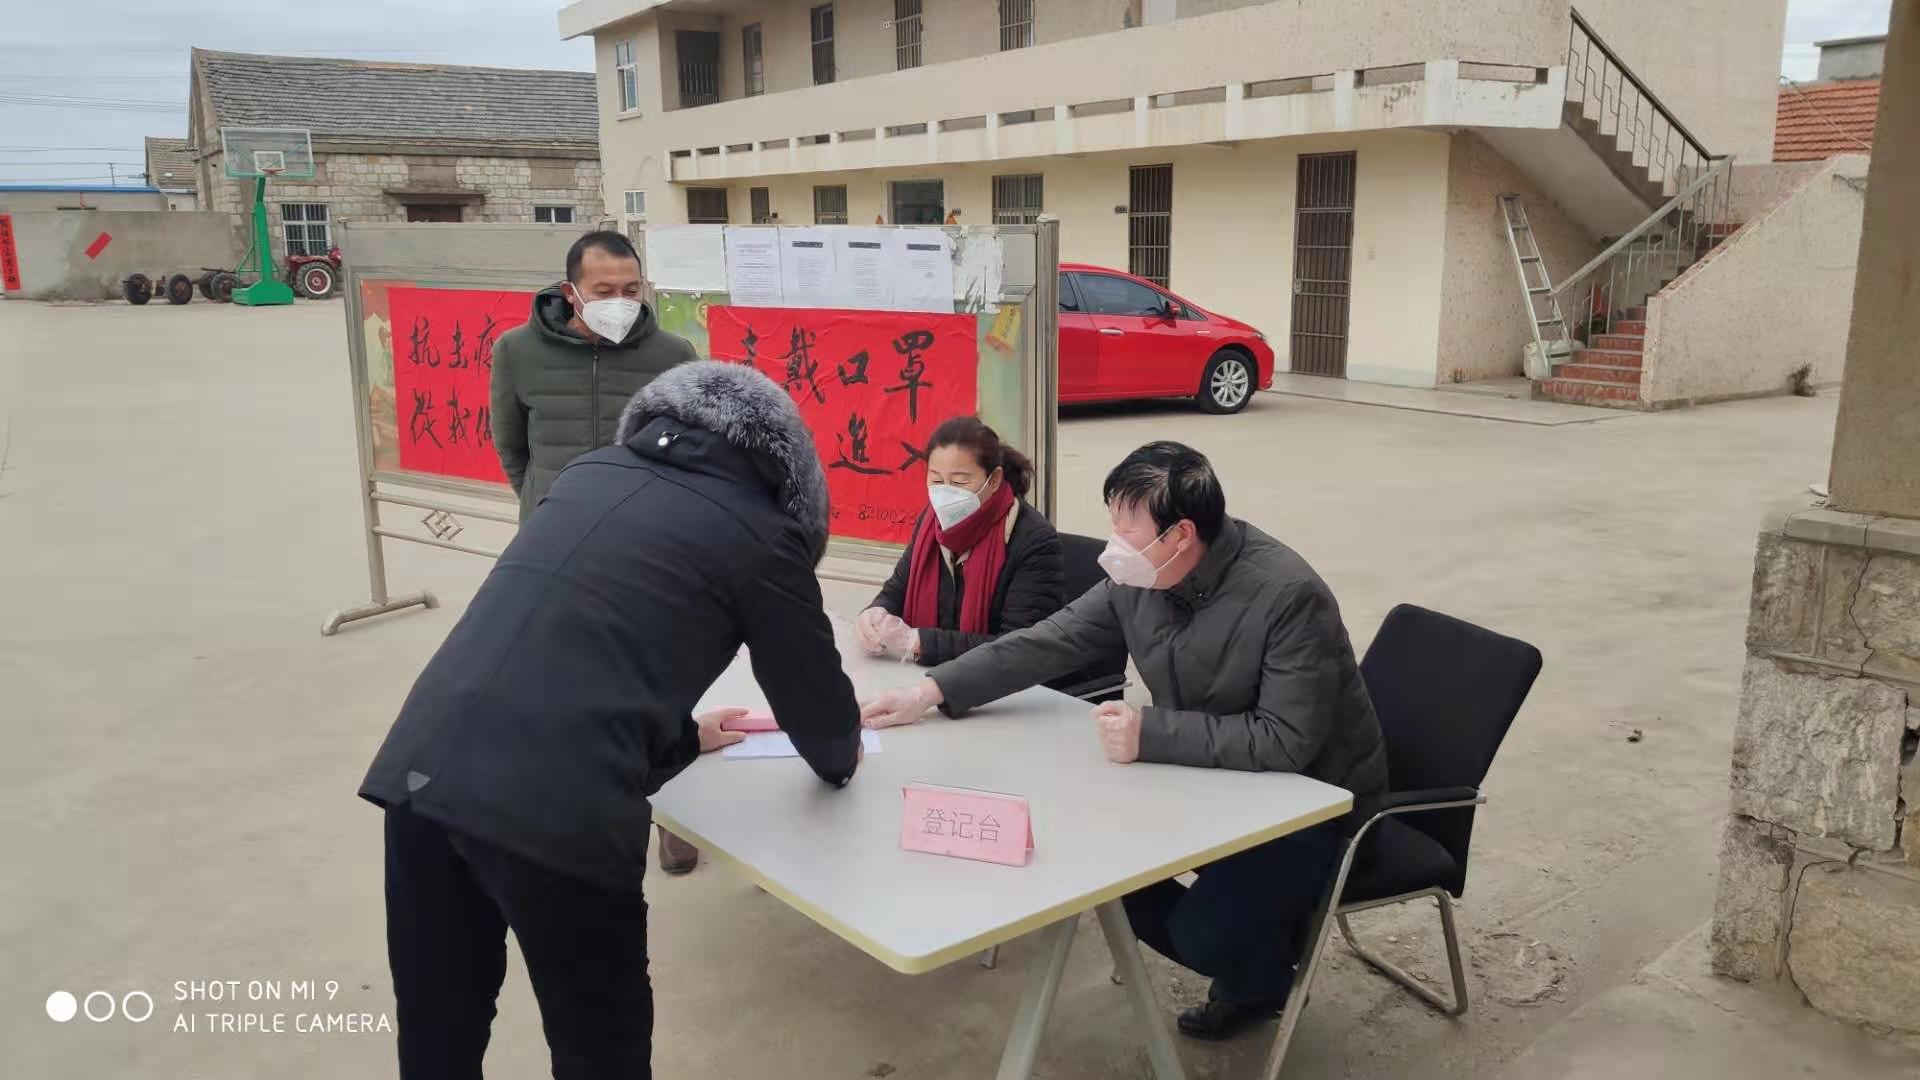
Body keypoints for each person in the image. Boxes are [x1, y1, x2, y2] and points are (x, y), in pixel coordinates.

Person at [361, 361, 863, 1078]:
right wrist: (842, 754)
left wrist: (684, 735)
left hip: (424, 769)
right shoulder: (762, 536)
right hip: (560, 812)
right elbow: (812, 699)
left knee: (438, 1025)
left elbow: (570, 651)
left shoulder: (589, 473)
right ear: (787, 474)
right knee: (600, 1047)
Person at [860, 441, 1387, 1040]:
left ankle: (1259, 980)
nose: (1114, 544)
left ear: (1181, 534)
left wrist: (1149, 732)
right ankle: (1255, 952)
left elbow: (1285, 739)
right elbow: (1049, 640)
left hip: (1315, 807)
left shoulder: (1287, 596)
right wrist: (931, 691)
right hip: (1211, 777)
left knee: (1200, 936)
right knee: (1091, 867)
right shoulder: (1139, 577)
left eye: (1127, 529)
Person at [489, 228, 705, 873]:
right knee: (559, 688)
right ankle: (572, 818)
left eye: (631, 289)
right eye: (604, 290)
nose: (620, 302)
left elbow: (692, 450)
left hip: (646, 552)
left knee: (656, 687)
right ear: (571, 292)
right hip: (550, 552)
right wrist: (546, 507)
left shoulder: (674, 355)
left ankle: (671, 814)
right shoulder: (516, 351)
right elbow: (512, 447)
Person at [853, 416, 1064, 666]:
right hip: (932, 674)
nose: (945, 493)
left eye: (959, 482)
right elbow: (898, 589)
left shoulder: (1032, 539)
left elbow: (1018, 646)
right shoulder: (930, 523)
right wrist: (876, 613)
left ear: (994, 480)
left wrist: (919, 642)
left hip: (1002, 680)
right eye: (936, 480)